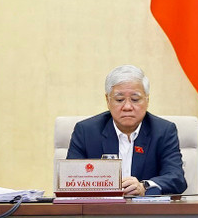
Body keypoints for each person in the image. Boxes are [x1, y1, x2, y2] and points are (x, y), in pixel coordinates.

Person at [67, 65, 187, 196]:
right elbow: (70, 179)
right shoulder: (86, 131)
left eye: (135, 99)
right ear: (108, 100)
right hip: (100, 212)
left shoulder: (163, 131)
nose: (128, 107)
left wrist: (144, 187)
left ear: (147, 100)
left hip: (147, 213)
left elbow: (176, 178)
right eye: (119, 100)